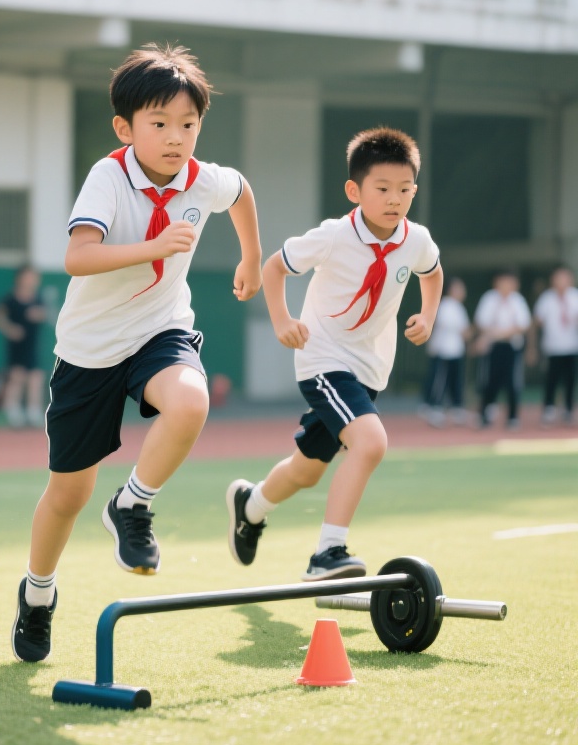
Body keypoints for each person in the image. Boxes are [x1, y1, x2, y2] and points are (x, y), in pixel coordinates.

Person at [11, 43, 263, 663]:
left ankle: (133, 505)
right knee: (67, 495)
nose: (176, 138)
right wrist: (153, 248)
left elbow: (242, 192)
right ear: (125, 128)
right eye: (160, 124)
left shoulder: (204, 179)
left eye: (189, 124)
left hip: (160, 329)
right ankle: (37, 595)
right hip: (90, 351)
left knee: (191, 401)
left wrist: (251, 255)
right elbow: (77, 256)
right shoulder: (108, 177)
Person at [226, 127, 442, 582]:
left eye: (404, 190)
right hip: (323, 360)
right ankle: (328, 552)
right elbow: (274, 267)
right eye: (382, 188)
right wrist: (283, 321)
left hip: (369, 371)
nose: (394, 199)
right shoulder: (333, 236)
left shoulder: (416, 239)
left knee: (306, 471)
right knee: (371, 442)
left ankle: (252, 504)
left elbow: (433, 272)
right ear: (354, 190)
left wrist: (428, 314)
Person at [0, 265, 47, 428]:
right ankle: (13, 410)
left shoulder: (38, 298)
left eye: (34, 277)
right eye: (28, 276)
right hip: (16, 344)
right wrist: (9, 329)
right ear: (20, 278)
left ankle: (33, 411)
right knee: (17, 376)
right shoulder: (10, 299)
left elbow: (44, 313)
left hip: (33, 343)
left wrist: (38, 314)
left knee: (35, 377)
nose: (32, 280)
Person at [473, 270, 530, 429]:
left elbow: (521, 326)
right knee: (489, 381)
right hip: (492, 348)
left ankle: (512, 417)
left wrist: (497, 334)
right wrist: (492, 336)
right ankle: (485, 414)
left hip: (511, 348)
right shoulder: (489, 298)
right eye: (502, 282)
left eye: (509, 282)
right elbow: (481, 322)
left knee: (513, 383)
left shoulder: (518, 300)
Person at [419, 276, 471, 427]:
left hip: (456, 351)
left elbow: (464, 331)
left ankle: (456, 409)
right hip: (443, 351)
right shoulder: (446, 305)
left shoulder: (459, 307)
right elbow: (461, 330)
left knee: (455, 381)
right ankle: (434, 408)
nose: (462, 291)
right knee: (439, 382)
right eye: (458, 288)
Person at [530, 265, 578, 425]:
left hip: (572, 346)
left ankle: (568, 410)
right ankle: (549, 409)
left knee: (570, 380)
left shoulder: (575, 297)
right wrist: (532, 347)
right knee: (551, 379)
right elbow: (536, 323)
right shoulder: (546, 298)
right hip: (552, 347)